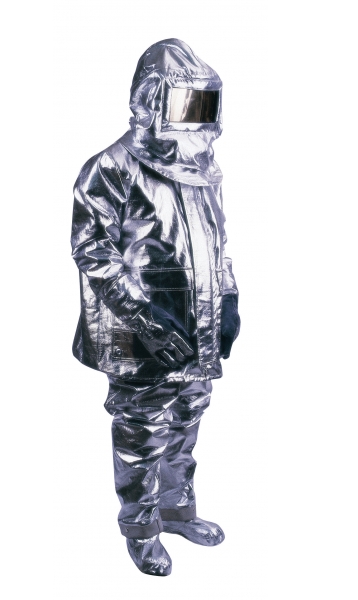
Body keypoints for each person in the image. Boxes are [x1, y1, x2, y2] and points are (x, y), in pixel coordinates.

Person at [70, 39, 240, 576]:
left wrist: (228, 297)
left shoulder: (203, 170)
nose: (196, 118)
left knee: (188, 416)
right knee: (141, 431)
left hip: (195, 325)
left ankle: (176, 510)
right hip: (135, 330)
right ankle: (140, 529)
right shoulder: (111, 167)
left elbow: (217, 244)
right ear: (151, 99)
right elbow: (93, 253)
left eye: (203, 103)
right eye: (186, 102)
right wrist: (145, 321)